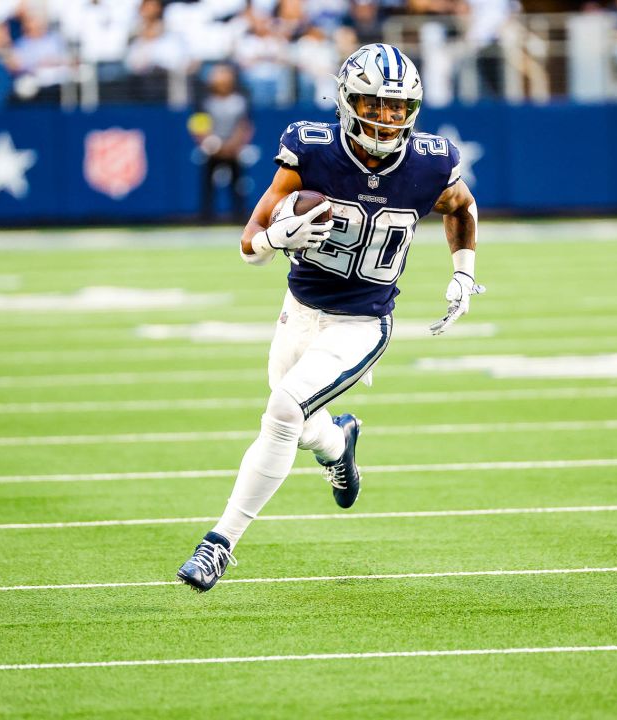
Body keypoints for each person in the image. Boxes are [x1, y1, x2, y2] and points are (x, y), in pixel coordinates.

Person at [177, 43, 484, 592]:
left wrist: (463, 270)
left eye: (398, 107)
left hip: (362, 323)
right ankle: (340, 445)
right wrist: (279, 235)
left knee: (282, 408)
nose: (387, 118)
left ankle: (219, 544)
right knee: (296, 424)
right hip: (298, 312)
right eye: (376, 103)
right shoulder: (310, 151)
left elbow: (460, 206)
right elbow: (250, 247)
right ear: (347, 100)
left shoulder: (430, 161)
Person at [191, 64, 254, 221]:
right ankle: (206, 217)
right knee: (208, 185)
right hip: (212, 149)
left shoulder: (241, 100)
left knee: (237, 185)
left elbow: (244, 125)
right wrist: (210, 142)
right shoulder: (204, 101)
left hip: (234, 149)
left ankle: (239, 217)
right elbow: (199, 124)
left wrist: (234, 144)